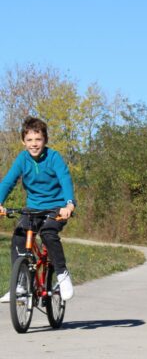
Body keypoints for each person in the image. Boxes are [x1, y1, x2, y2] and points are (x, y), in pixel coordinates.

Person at [0, 116, 76, 303]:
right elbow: (8, 181)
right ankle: (20, 284)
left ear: (45, 140)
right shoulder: (22, 159)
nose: (34, 144)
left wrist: (69, 204)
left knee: (49, 233)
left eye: (38, 139)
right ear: (23, 141)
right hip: (33, 208)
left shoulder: (53, 157)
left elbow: (65, 179)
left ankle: (62, 274)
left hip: (56, 206)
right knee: (19, 233)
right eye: (30, 140)